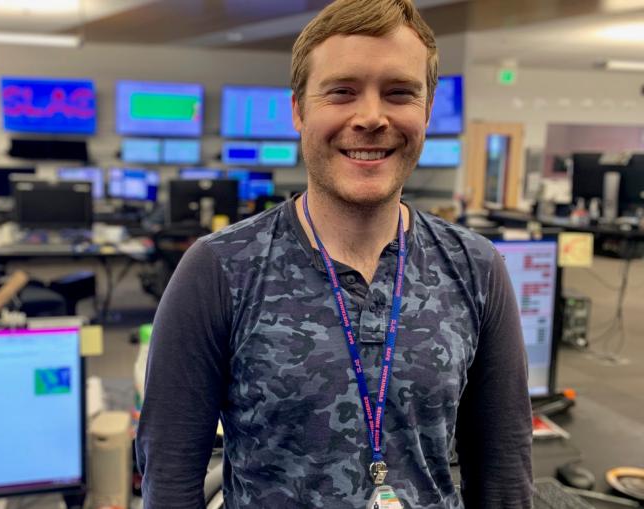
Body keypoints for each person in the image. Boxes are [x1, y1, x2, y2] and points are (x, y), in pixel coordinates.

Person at [135, 0, 533, 507]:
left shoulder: (476, 268)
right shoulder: (219, 269)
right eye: (342, 91)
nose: (371, 117)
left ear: (427, 110)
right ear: (299, 110)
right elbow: (169, 482)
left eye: (399, 93)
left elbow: (505, 478)